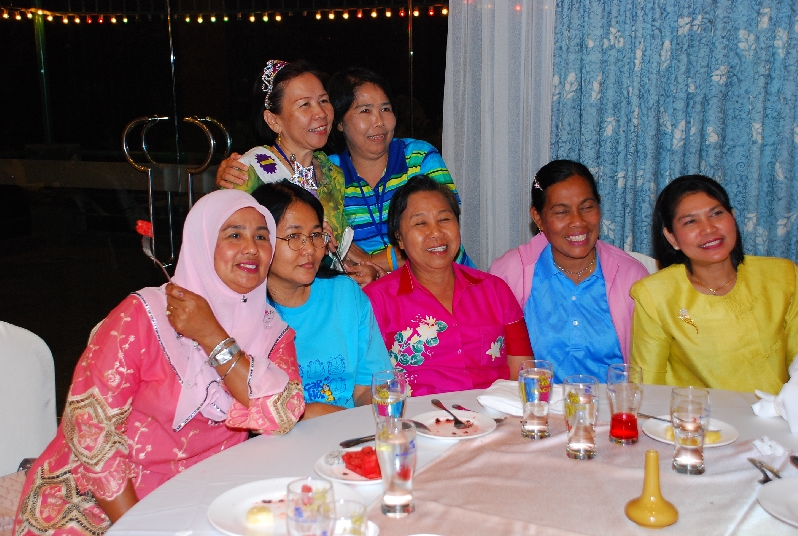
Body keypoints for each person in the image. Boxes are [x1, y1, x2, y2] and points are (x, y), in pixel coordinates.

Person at [15, 190, 304, 534]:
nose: (251, 249)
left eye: (261, 237)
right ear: (201, 243)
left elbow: (283, 415)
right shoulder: (142, 316)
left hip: (200, 500)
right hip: (98, 504)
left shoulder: (271, 331)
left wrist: (212, 336)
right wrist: (138, 527)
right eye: (233, 235)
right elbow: (92, 435)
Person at [363, 175, 532, 396]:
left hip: (492, 412)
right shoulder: (376, 300)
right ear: (400, 239)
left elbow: (523, 371)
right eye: (420, 223)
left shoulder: (495, 290)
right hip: (417, 415)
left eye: (444, 219)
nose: (436, 232)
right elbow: (368, 386)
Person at [630, 175, 798, 393]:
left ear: (733, 218)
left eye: (716, 214)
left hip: (775, 411)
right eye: (690, 221)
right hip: (694, 413)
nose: (708, 229)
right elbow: (646, 386)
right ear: (672, 238)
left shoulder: (782, 276)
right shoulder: (655, 294)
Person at [215, 60, 378, 284]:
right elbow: (226, 248)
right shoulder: (249, 170)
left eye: (323, 101)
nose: (320, 113)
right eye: (305, 105)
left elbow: (336, 251)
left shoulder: (332, 173)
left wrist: (364, 271)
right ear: (273, 120)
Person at [489, 160, 649, 383]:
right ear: (538, 218)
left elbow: (647, 368)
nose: (578, 222)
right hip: (535, 402)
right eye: (562, 212)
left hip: (611, 403)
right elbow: (490, 360)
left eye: (587, 207)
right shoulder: (509, 274)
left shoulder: (632, 277)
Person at [252, 180, 392, 418]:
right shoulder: (248, 311)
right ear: (261, 241)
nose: (310, 249)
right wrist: (316, 415)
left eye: (315, 235)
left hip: (349, 430)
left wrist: (378, 411)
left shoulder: (345, 294)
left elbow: (367, 388)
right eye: (294, 236)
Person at [326, 67, 474, 272]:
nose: (379, 121)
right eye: (365, 111)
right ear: (339, 122)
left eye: (386, 109)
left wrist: (369, 261)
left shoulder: (419, 157)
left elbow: (441, 236)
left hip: (441, 278)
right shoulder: (328, 173)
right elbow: (332, 250)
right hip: (368, 287)